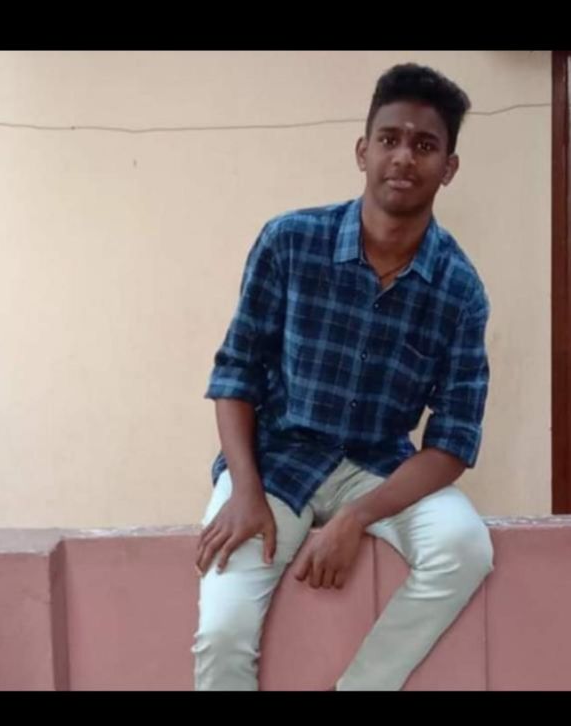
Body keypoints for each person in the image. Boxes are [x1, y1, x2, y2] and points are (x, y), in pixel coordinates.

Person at [192, 62, 494, 691]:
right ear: (363, 151)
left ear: (449, 167)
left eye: (425, 145)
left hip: (379, 467)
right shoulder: (289, 242)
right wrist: (243, 489)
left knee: (466, 547)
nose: (403, 157)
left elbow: (453, 442)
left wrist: (356, 517)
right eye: (390, 139)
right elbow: (236, 375)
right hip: (276, 462)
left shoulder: (460, 290)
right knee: (222, 632)